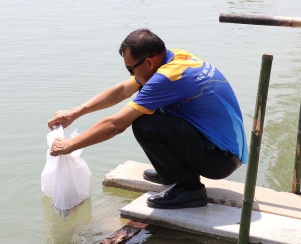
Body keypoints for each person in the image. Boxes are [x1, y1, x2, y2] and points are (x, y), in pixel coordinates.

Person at [48, 29, 248, 209]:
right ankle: (176, 173)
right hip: (221, 151)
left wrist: (70, 145)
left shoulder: (166, 79)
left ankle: (190, 189)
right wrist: (75, 112)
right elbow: (122, 90)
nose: (130, 74)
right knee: (151, 108)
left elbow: (116, 125)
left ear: (149, 61)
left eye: (130, 69)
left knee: (145, 123)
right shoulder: (176, 58)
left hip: (219, 160)